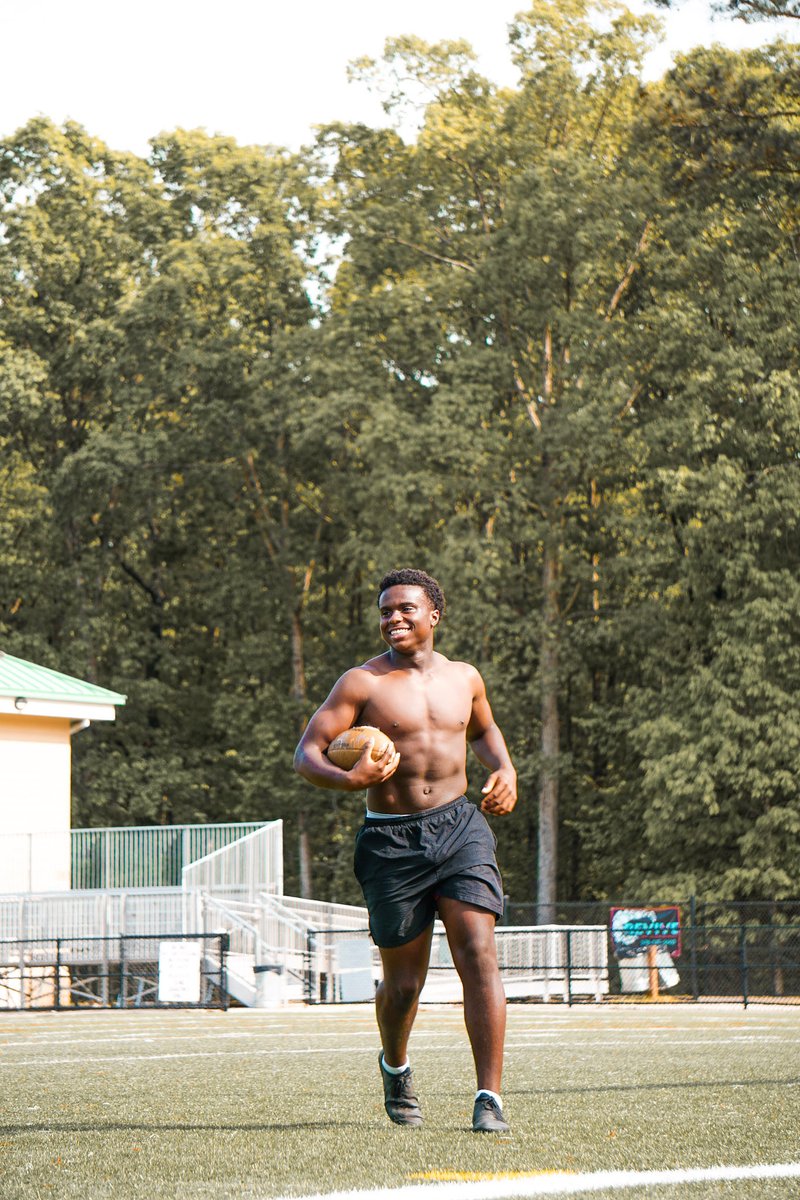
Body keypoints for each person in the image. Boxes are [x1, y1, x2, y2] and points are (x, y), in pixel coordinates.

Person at [293, 567, 517, 1133]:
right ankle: (395, 1065)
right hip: (391, 840)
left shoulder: (466, 678)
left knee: (477, 953)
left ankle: (488, 1096)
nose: (393, 618)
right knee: (403, 984)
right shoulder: (361, 683)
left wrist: (506, 769)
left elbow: (485, 731)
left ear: (434, 615)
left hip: (460, 827)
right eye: (385, 610)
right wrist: (350, 780)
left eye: (405, 608)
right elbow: (307, 754)